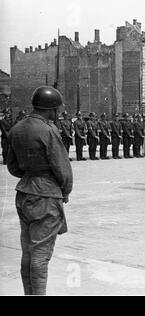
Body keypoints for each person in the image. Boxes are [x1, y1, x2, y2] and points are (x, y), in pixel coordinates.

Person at [6, 86, 73, 295]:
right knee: (40, 255)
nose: (57, 114)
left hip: (24, 193)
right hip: (46, 196)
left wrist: (31, 175)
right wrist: (65, 189)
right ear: (51, 109)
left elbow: (12, 166)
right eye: (56, 110)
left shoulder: (16, 128)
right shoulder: (48, 130)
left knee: (27, 253)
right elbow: (62, 168)